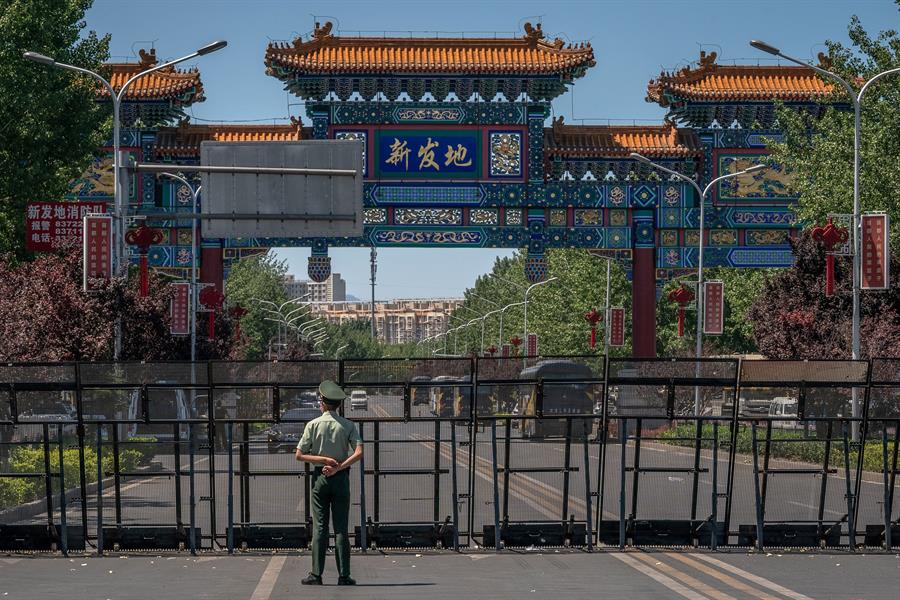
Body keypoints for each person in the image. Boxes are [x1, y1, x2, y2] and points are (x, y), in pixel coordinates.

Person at [295, 380, 363, 586]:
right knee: (341, 528)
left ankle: (316, 574)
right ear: (339, 405)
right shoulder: (349, 425)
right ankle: (344, 575)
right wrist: (338, 466)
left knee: (320, 527)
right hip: (341, 477)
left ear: (323, 402)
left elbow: (299, 455)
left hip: (320, 478)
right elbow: (359, 452)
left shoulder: (313, 425)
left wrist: (323, 460)